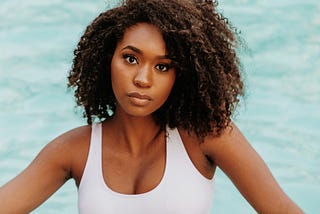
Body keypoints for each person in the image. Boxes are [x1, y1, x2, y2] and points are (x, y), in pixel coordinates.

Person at [0, 0, 303, 213]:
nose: (143, 79)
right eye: (130, 59)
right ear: (108, 58)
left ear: (182, 74)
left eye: (163, 67)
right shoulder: (74, 150)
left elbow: (282, 209)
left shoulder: (204, 135)